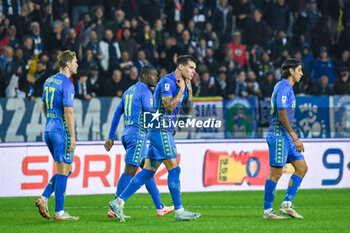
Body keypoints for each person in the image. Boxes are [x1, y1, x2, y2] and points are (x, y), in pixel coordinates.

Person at [109, 55, 200, 222]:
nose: (194, 71)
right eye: (191, 68)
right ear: (181, 67)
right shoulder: (168, 82)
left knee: (147, 172)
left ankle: (118, 201)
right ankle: (179, 211)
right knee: (174, 168)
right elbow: (168, 106)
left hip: (161, 131)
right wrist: (181, 90)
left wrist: (189, 90)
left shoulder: (183, 85)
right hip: (160, 130)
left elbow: (186, 110)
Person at [104, 65, 174, 218]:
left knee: (147, 171)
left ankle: (160, 206)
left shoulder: (128, 91)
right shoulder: (145, 91)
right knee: (129, 170)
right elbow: (150, 114)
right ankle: (115, 205)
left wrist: (111, 136)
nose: (156, 78)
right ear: (144, 76)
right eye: (153, 75)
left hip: (127, 134)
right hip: (138, 135)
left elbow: (117, 113)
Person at [34, 50, 79, 220]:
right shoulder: (67, 84)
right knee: (63, 169)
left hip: (49, 130)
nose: (77, 64)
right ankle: (59, 212)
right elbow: (68, 111)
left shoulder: (49, 81)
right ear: (67, 64)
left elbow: (44, 105)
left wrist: (51, 123)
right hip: (61, 132)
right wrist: (72, 136)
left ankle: (44, 197)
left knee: (66, 169)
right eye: (75, 61)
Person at [263, 58, 308, 219]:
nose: (301, 74)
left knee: (302, 168)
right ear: (291, 71)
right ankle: (268, 210)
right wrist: (295, 137)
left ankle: (287, 204)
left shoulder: (288, 88)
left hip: (286, 136)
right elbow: (282, 114)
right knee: (276, 173)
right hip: (278, 134)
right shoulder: (282, 87)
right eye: (299, 70)